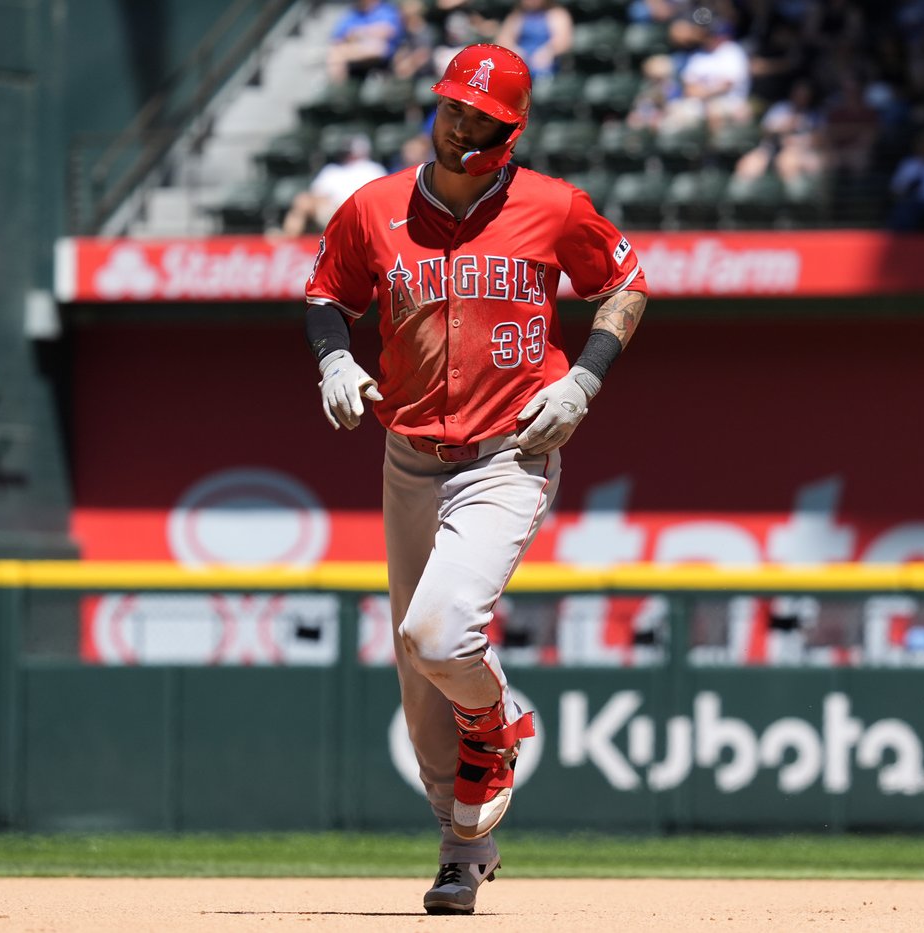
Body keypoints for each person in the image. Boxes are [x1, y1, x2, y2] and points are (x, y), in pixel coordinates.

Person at [302, 44, 648, 915]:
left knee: (442, 632)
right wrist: (334, 360)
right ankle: (464, 848)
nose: (461, 126)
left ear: (511, 131)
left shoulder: (552, 206)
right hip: (409, 453)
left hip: (508, 451)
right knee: (418, 677)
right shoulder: (374, 207)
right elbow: (324, 294)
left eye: (481, 119)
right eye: (453, 108)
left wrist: (586, 377)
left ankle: (497, 729)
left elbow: (626, 283)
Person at [279, 135, 387, 238]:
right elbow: (315, 195)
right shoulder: (331, 170)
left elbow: (380, 196)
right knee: (302, 200)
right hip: (331, 208)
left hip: (358, 210)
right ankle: (288, 241)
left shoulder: (373, 169)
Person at [494, 0, 574, 79]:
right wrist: (516, 53)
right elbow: (502, 40)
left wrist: (548, 52)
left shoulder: (557, 14)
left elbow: (563, 42)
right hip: (521, 67)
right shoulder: (517, 16)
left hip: (547, 69)